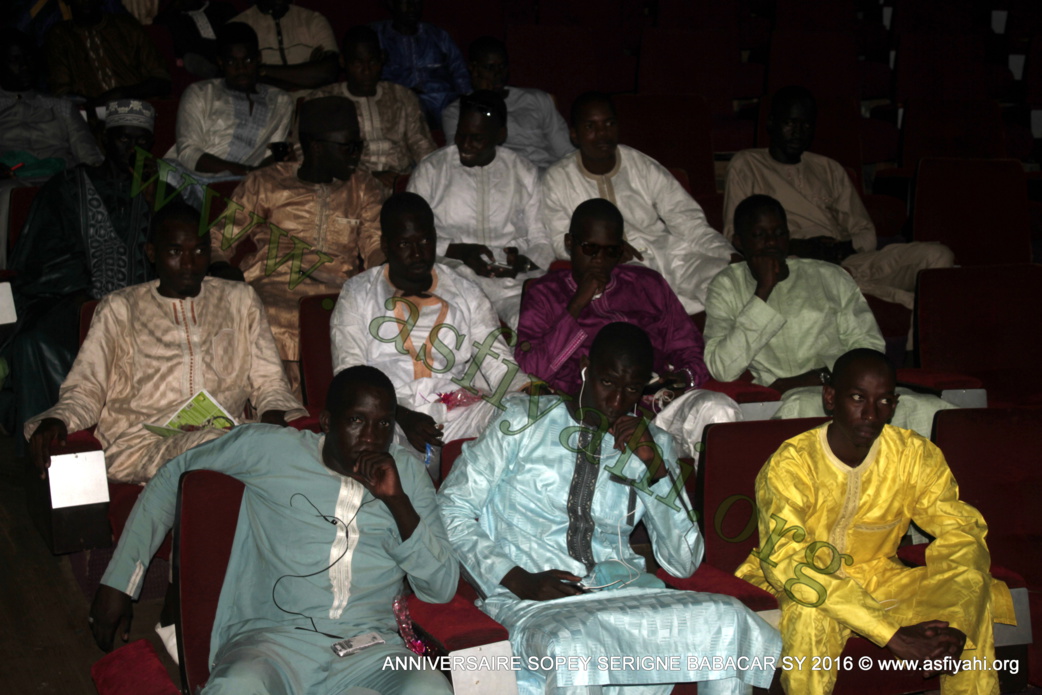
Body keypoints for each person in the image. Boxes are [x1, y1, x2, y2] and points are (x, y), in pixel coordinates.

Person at [439, 322, 782, 695]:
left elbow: (683, 562)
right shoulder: (522, 421)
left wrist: (654, 468)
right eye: (607, 383)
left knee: (728, 620)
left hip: (626, 596)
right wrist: (516, 577)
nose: (617, 402)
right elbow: (450, 508)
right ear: (586, 369)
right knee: (577, 649)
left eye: (632, 389)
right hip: (537, 602)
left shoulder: (653, 444)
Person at [89, 365, 456, 694]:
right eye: (357, 421)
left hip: (372, 649)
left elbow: (440, 588)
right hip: (272, 644)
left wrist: (398, 503)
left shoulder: (407, 476)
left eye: (384, 424)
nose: (373, 439)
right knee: (237, 686)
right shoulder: (270, 448)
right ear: (328, 422)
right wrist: (119, 581)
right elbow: (173, 475)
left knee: (429, 687)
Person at [736, 348, 1015, 695]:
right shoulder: (792, 463)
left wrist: (959, 620)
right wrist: (893, 636)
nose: (870, 414)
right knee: (810, 614)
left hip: (880, 577)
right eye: (857, 398)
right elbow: (792, 563)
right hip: (798, 582)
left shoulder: (913, 455)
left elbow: (961, 531)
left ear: (894, 405)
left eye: (883, 401)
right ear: (830, 398)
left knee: (974, 587)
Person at [24, 200, 306, 484]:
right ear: (152, 253)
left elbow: (270, 383)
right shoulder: (120, 308)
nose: (189, 264)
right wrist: (58, 419)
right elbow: (86, 388)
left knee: (284, 445)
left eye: (199, 251)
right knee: (224, 448)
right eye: (174, 251)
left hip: (226, 436)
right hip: (140, 445)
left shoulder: (240, 300)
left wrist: (273, 414)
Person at [706, 194, 954, 436]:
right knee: (801, 410)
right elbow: (722, 368)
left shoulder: (829, 276)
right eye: (760, 235)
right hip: (792, 400)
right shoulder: (727, 285)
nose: (772, 242)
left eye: (779, 233)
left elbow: (870, 347)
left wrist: (825, 376)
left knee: (934, 411)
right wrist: (763, 291)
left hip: (849, 388)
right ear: (739, 241)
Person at [517, 198, 741, 457]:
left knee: (718, 410)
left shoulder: (648, 285)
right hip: (582, 417)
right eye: (590, 248)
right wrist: (577, 305)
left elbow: (690, 348)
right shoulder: (545, 295)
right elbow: (531, 370)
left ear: (621, 250)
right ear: (570, 244)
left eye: (610, 251)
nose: (599, 260)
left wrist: (683, 377)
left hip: (654, 413)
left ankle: (711, 495)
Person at [2, 99, 157, 454]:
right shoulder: (67, 186)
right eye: (123, 140)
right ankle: (52, 448)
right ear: (105, 138)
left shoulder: (163, 190)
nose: (133, 149)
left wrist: (154, 201)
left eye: (142, 141)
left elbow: (182, 254)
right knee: (36, 344)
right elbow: (41, 257)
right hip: (73, 299)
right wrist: (83, 295)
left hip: (146, 305)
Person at [331, 191, 530, 465]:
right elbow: (349, 376)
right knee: (371, 442)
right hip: (390, 419)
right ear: (386, 245)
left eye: (425, 240)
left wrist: (532, 393)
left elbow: (500, 366)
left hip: (458, 412)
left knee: (524, 415)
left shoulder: (465, 291)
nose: (417, 253)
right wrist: (400, 416)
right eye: (404, 243)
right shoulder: (358, 293)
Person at [210, 96, 385, 394]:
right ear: (315, 147)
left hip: (338, 292)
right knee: (261, 316)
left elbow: (375, 246)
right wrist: (220, 267)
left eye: (359, 146)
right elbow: (220, 238)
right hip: (272, 285)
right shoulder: (266, 183)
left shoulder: (364, 187)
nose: (356, 156)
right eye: (347, 147)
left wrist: (385, 275)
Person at [723, 85, 954, 310]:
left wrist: (840, 248)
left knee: (937, 256)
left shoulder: (829, 168)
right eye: (790, 123)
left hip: (846, 259)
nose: (798, 132)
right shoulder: (747, 165)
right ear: (772, 123)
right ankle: (909, 304)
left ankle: (893, 309)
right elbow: (735, 236)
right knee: (806, 275)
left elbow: (865, 233)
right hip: (791, 261)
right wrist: (801, 247)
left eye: (806, 124)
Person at [542, 92, 734, 314]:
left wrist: (727, 254)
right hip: (615, 268)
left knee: (728, 279)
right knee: (637, 295)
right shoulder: (557, 179)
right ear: (574, 135)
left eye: (609, 124)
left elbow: (687, 219)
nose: (602, 134)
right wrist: (606, 252)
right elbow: (560, 241)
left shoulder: (640, 164)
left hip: (670, 256)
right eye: (590, 127)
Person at [407, 90, 551, 328]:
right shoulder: (432, 170)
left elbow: (542, 240)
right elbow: (413, 238)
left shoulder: (523, 172)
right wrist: (458, 251)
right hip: (452, 278)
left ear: (500, 135)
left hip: (510, 284)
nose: (465, 145)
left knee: (531, 327)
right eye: (461, 135)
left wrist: (523, 263)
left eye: (477, 138)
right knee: (460, 327)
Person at [164, 22, 293, 207]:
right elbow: (188, 152)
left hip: (240, 186)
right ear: (220, 62)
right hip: (188, 178)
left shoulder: (280, 101)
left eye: (247, 60)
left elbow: (272, 154)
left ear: (259, 58)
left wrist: (269, 166)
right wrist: (246, 171)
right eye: (232, 62)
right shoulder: (200, 92)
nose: (240, 68)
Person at [306, 25, 436, 191]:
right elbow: (310, 155)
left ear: (382, 58)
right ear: (343, 62)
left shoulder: (402, 96)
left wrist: (430, 177)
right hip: (347, 186)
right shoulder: (322, 100)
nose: (366, 70)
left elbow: (423, 147)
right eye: (357, 63)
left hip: (401, 184)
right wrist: (366, 177)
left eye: (373, 62)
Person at [441, 36, 573, 170]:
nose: (498, 73)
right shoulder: (456, 112)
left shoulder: (537, 99)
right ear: (474, 69)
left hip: (544, 174)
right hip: (499, 179)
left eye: (502, 66)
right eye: (490, 67)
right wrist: (485, 99)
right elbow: (462, 156)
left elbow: (566, 150)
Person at [0, 28, 103, 173]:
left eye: (29, 58)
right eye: (14, 60)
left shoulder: (61, 106)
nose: (25, 66)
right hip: (10, 184)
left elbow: (89, 155)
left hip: (60, 181)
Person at [42, 0, 170, 107]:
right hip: (90, 122)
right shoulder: (59, 36)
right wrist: (97, 104)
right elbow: (61, 92)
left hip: (138, 112)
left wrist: (122, 94)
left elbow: (161, 80)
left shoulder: (127, 26)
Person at [371, 0, 471, 129]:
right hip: (399, 104)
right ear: (391, 3)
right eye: (405, 1)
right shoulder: (376, 35)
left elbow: (460, 73)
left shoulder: (439, 36)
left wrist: (469, 101)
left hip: (443, 103)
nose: (412, 6)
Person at [231, 0, 339, 91]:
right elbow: (243, 80)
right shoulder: (237, 27)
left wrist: (263, 70)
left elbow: (328, 73)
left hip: (313, 106)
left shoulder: (313, 20)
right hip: (266, 107)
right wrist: (307, 75)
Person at [154, 0, 239, 79]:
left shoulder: (223, 8)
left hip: (233, 55)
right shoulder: (170, 19)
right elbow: (184, 48)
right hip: (205, 63)